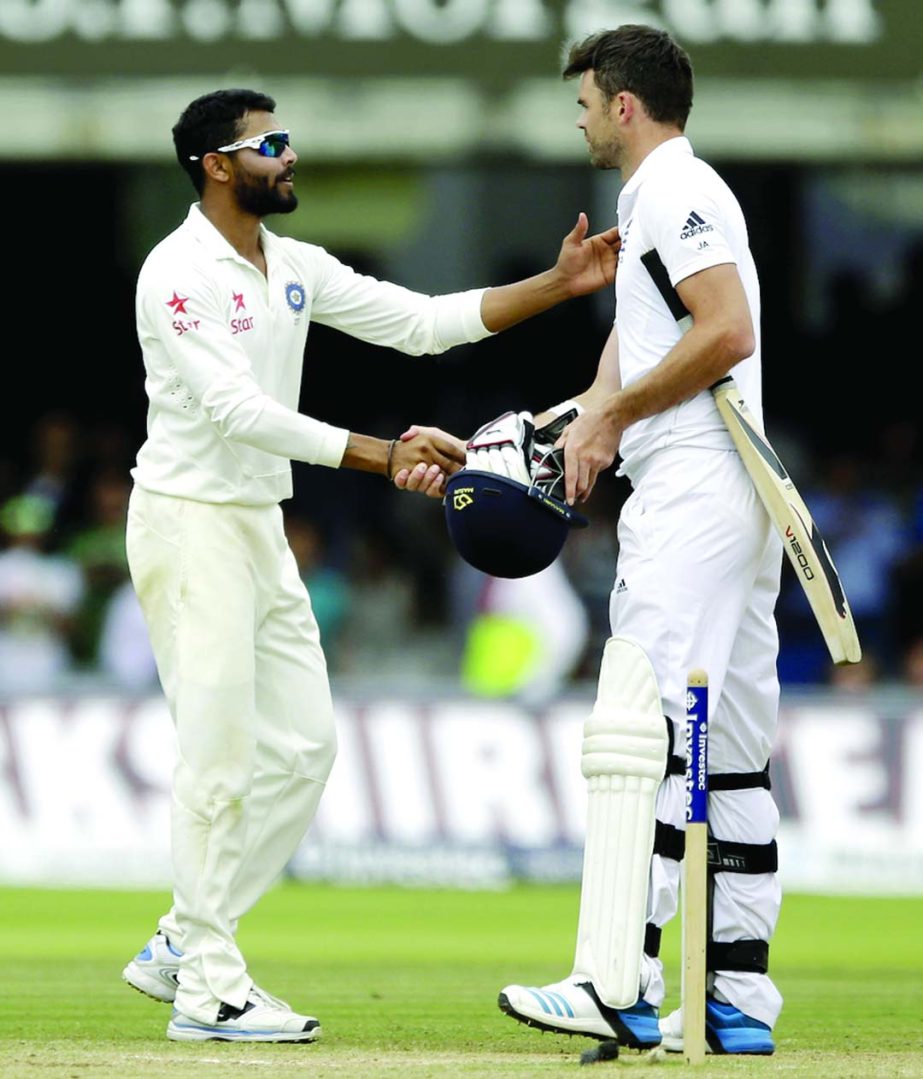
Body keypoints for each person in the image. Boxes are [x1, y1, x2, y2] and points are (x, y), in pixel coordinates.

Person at [119, 87, 620, 1044]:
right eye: (269, 144)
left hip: (256, 525)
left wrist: (556, 285)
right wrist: (380, 452)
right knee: (217, 758)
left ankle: (183, 938)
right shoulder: (175, 272)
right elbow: (238, 413)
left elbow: (425, 320)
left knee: (304, 749)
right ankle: (208, 988)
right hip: (188, 524)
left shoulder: (289, 263)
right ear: (216, 165)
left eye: (288, 137)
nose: (289, 155)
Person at [461, 25, 784, 1056]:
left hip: (692, 486)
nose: (580, 118)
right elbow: (638, 345)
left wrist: (612, 420)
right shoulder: (654, 200)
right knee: (727, 754)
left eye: (587, 102)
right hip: (730, 487)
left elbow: (722, 329)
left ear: (626, 106)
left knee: (634, 728)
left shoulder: (675, 190)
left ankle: (613, 977)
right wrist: (564, 427)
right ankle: (733, 995)